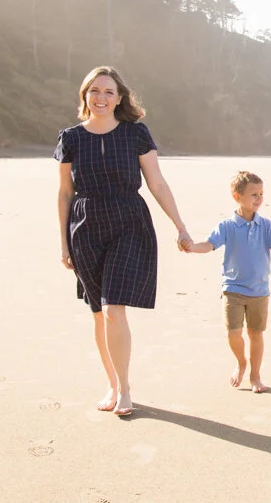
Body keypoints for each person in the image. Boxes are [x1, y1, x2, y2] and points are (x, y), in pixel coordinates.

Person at [55, 66, 192, 417]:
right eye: (95, 91)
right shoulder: (70, 138)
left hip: (129, 222)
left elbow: (157, 183)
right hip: (85, 227)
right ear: (85, 95)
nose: (101, 97)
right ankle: (112, 384)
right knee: (99, 313)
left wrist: (180, 225)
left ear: (120, 98)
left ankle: (126, 388)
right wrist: (63, 243)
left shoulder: (135, 134)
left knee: (115, 308)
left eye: (109, 92)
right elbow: (65, 192)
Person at [185, 171, 271, 393]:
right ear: (236, 196)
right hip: (233, 289)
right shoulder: (227, 226)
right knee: (233, 333)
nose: (258, 199)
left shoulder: (266, 225)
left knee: (256, 334)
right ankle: (241, 362)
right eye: (253, 194)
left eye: (261, 194)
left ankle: (255, 376)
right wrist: (191, 247)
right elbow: (209, 245)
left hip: (260, 290)